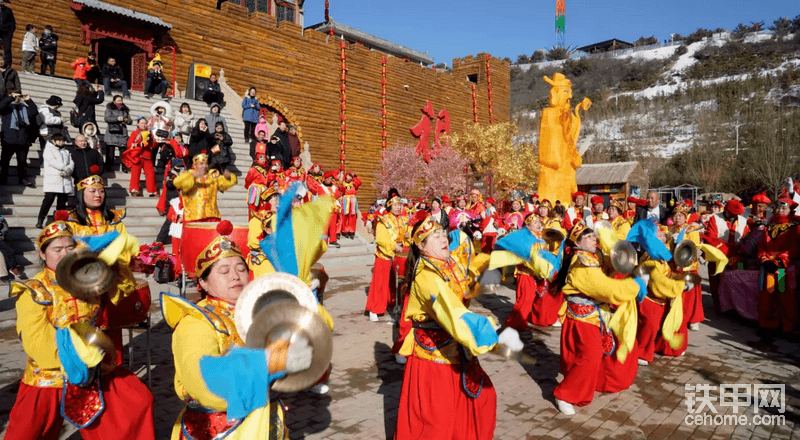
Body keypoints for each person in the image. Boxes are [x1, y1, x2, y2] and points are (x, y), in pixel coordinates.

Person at [5, 211, 155, 440]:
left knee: (135, 404)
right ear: (42, 254)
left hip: (92, 369)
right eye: (57, 249)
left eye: (69, 248)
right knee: (28, 433)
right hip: (49, 374)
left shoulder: (89, 277)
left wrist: (114, 265)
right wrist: (74, 357)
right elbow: (37, 341)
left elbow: (119, 296)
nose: (65, 253)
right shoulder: (34, 291)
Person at [161, 220, 315, 439]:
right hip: (222, 430)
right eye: (224, 271)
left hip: (264, 421)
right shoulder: (195, 323)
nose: (235, 276)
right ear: (203, 283)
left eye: (241, 269)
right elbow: (207, 384)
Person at [394, 212, 519, 440]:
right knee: (438, 420)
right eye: (435, 237)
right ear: (421, 246)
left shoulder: (446, 263)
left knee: (479, 400)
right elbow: (451, 310)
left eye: (443, 233)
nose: (443, 239)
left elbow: (466, 280)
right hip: (435, 358)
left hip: (456, 345)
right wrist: (487, 331)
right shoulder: (426, 277)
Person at [552, 222, 646, 415]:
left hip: (593, 315)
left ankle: (598, 383)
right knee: (590, 356)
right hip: (582, 318)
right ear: (577, 242)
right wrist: (635, 286)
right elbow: (606, 288)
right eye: (588, 237)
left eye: (593, 236)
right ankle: (564, 394)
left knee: (602, 352)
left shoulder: (591, 257)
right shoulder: (583, 263)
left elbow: (608, 270)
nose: (593, 239)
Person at [636, 225, 692, 366]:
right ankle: (641, 352)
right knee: (650, 326)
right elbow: (658, 281)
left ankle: (658, 347)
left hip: (661, 297)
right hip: (649, 298)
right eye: (658, 235)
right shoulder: (649, 257)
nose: (662, 238)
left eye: (663, 236)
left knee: (667, 322)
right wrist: (680, 286)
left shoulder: (663, 254)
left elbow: (670, 271)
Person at [502, 213, 564, 329]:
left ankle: (520, 322)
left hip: (534, 274)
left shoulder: (538, 237)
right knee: (525, 299)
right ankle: (514, 323)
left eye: (539, 223)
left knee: (528, 299)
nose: (538, 225)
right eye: (535, 223)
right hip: (525, 273)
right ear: (528, 225)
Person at [757, 198, 799, 335]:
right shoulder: (768, 227)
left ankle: (788, 327)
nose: (780, 211)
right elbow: (761, 246)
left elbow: (794, 248)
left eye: (783, 209)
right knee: (767, 296)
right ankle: (768, 325)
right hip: (769, 267)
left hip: (785, 269)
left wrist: (780, 261)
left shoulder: (795, 228)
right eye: (778, 208)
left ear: (790, 211)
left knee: (786, 297)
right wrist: (764, 259)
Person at [366, 196, 408, 322]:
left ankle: (393, 304)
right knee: (380, 282)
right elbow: (380, 239)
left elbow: (406, 236)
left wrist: (407, 236)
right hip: (384, 254)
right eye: (395, 205)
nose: (398, 207)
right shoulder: (383, 220)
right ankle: (374, 309)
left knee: (396, 282)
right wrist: (393, 246)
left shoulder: (403, 219)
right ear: (390, 207)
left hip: (398, 255)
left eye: (399, 205)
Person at [173, 152, 237, 223]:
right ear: (194, 165)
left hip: (212, 215)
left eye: (206, 163)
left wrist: (228, 177)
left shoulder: (213, 175)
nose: (204, 166)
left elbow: (224, 184)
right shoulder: (189, 174)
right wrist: (194, 175)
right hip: (194, 217)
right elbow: (177, 183)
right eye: (201, 164)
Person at [0, 91, 37, 187]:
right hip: (9, 139)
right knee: (5, 161)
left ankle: (23, 178)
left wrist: (29, 101)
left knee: (22, 162)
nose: (17, 97)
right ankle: (3, 178)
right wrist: (10, 98)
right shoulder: (7, 107)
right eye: (15, 95)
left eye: (18, 95)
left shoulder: (24, 107)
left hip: (23, 139)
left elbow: (34, 113)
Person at [37, 133, 72, 228]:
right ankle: (40, 219)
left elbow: (71, 162)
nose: (61, 142)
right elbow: (52, 161)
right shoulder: (48, 150)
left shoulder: (66, 151)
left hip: (64, 180)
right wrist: (64, 167)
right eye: (59, 140)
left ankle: (59, 222)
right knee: (48, 201)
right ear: (54, 141)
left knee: (62, 203)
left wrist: (69, 169)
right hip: (53, 179)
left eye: (62, 140)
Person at [126, 117, 157, 197]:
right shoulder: (134, 133)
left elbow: (155, 145)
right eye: (142, 123)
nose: (143, 125)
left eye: (145, 123)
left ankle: (152, 191)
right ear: (138, 124)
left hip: (147, 156)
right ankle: (134, 189)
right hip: (137, 156)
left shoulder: (150, 133)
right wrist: (139, 144)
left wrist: (150, 141)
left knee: (151, 174)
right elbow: (129, 144)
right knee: (135, 174)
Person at [103, 95, 132, 172]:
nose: (120, 102)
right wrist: (116, 119)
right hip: (112, 132)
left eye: (121, 100)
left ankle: (125, 166)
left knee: (124, 152)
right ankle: (108, 167)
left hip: (122, 133)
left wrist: (126, 120)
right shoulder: (109, 109)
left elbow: (130, 121)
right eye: (118, 100)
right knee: (110, 153)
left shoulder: (125, 110)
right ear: (114, 101)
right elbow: (107, 118)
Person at [148, 100, 172, 174]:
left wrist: (162, 116)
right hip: (155, 138)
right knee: (153, 153)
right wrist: (153, 131)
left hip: (164, 138)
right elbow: (149, 127)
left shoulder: (167, 118)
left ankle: (162, 167)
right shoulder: (152, 118)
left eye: (163, 109)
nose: (161, 110)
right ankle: (152, 167)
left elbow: (169, 123)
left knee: (164, 153)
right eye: (160, 109)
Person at [338, 170, 361, 239]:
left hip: (352, 200)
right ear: (346, 175)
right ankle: (345, 230)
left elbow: (359, 182)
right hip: (345, 201)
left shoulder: (354, 183)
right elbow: (340, 190)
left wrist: (355, 177)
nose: (349, 177)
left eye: (351, 176)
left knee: (352, 216)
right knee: (345, 216)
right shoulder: (343, 183)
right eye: (348, 175)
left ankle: (351, 231)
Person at [0, 214, 21, 280]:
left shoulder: (1, 218)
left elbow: (5, 226)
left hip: (0, 239)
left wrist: (1, 232)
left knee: (10, 251)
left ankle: (13, 268)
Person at [0, 0, 15, 68]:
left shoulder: (7, 10)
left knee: (7, 48)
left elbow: (12, 23)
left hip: (6, 33)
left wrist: (10, 32)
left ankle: (8, 65)